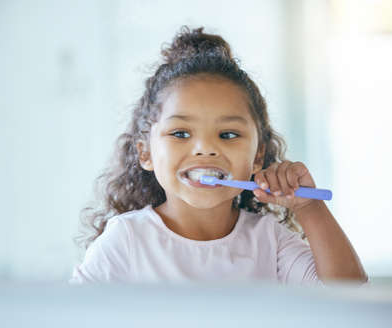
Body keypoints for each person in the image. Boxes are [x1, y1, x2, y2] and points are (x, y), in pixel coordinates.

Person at [70, 26, 367, 285]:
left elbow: (347, 296)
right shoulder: (127, 241)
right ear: (145, 153)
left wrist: (310, 208)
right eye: (181, 134)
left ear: (257, 157)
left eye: (228, 135)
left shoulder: (269, 240)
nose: (205, 148)